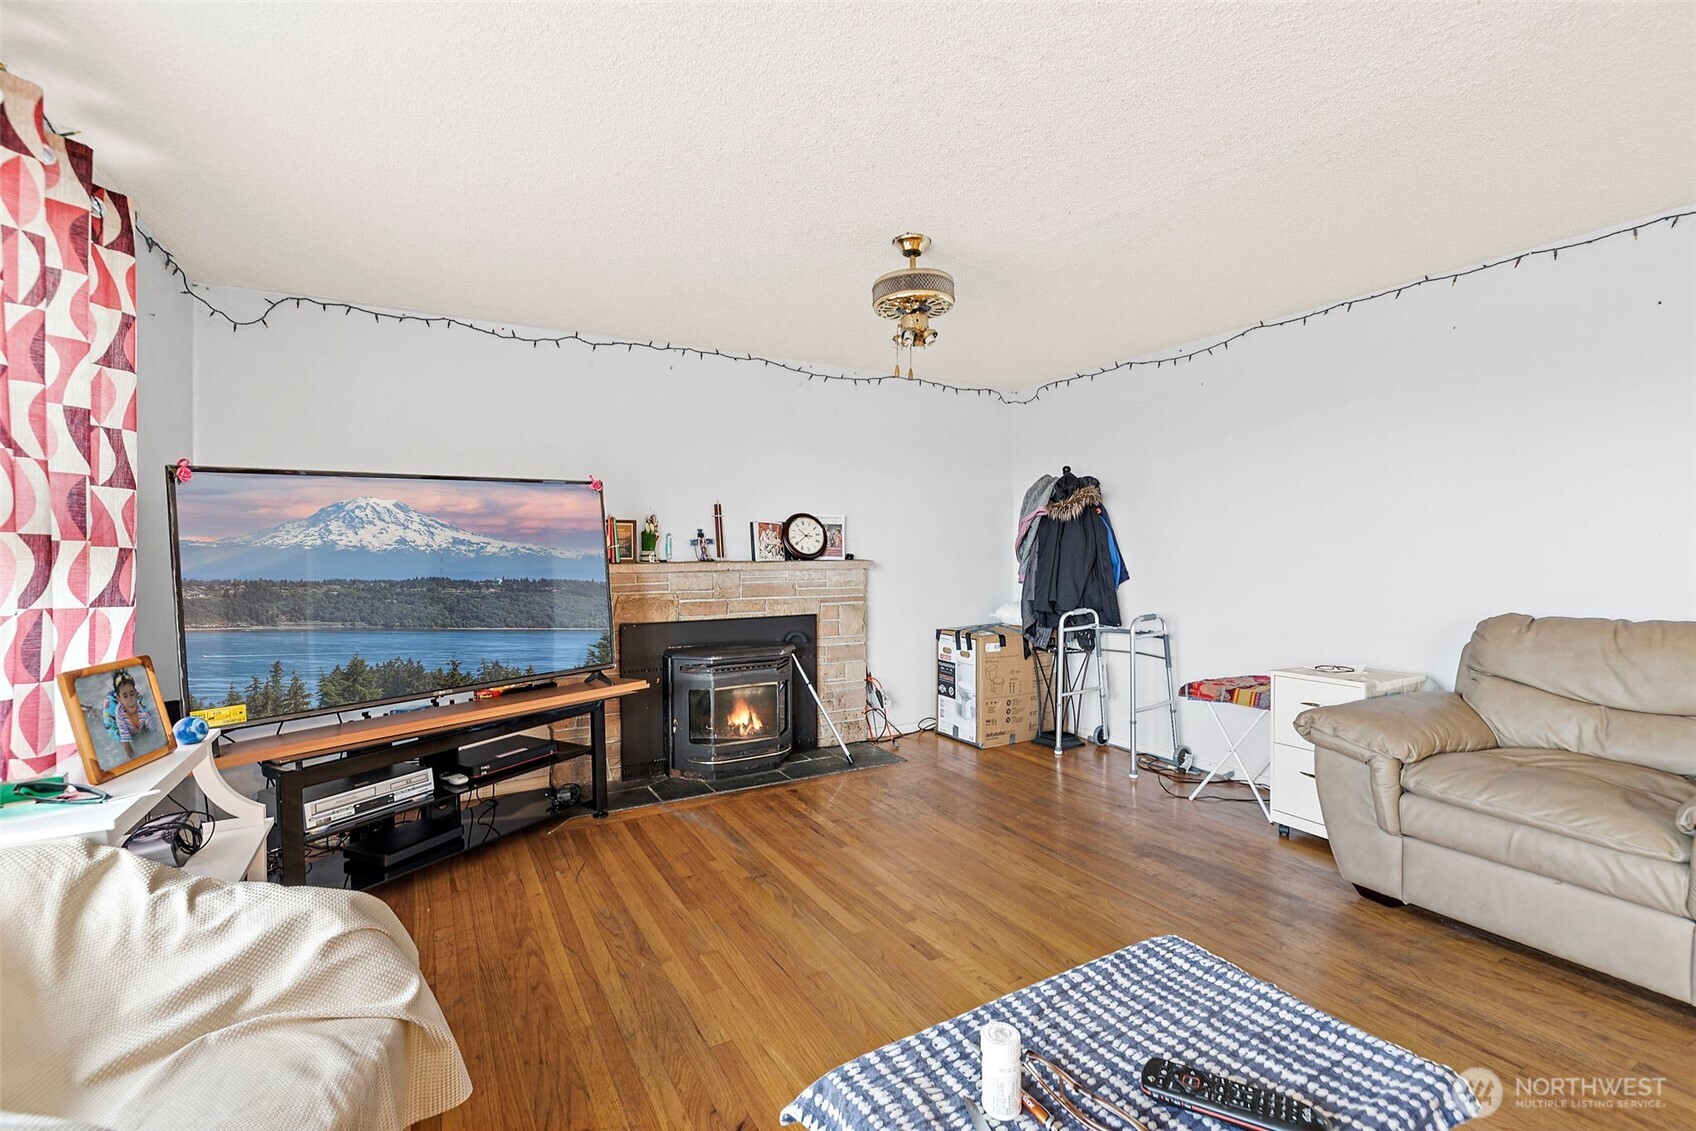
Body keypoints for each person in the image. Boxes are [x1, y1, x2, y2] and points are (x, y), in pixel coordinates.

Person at [102, 670, 158, 765]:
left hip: (133, 717)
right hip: (113, 712)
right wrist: (137, 762)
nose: (130, 700)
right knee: (106, 723)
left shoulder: (143, 712)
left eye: (132, 694)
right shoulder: (119, 715)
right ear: (119, 699)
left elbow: (153, 732)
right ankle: (90, 711)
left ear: (136, 694)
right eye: (125, 696)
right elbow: (127, 746)